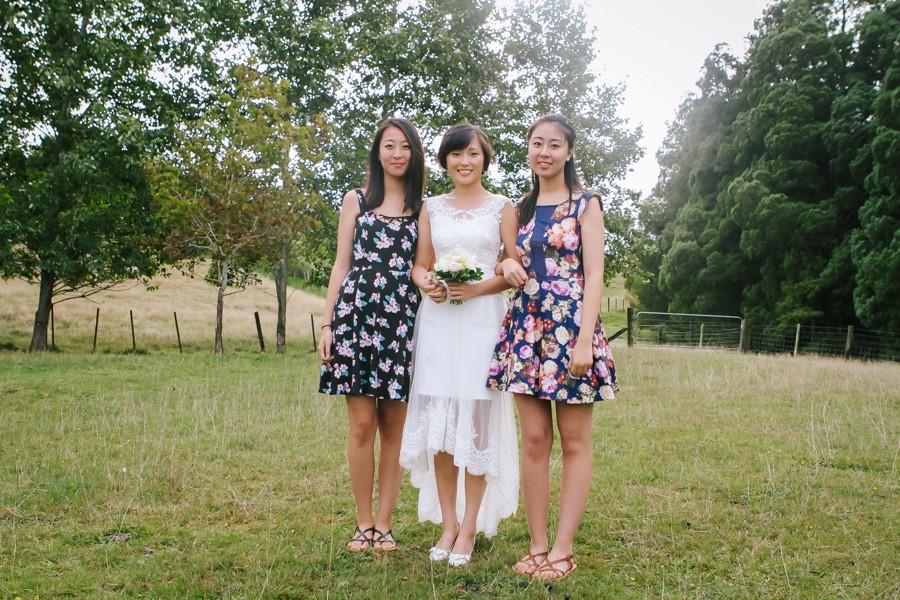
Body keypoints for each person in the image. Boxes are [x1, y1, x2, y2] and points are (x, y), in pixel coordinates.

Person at [487, 114, 618, 581]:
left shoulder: (586, 204)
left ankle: (563, 549)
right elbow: (505, 256)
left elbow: (595, 273)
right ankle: (538, 545)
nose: (544, 152)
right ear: (528, 149)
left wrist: (585, 340)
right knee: (535, 441)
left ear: (569, 152)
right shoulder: (518, 208)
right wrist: (507, 260)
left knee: (575, 441)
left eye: (554, 145)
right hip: (525, 330)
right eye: (537, 143)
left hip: (570, 331)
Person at [399, 124, 519, 567]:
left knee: (476, 427)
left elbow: (513, 269)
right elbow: (420, 265)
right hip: (438, 323)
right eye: (455, 155)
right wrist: (427, 282)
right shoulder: (431, 208)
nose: (463, 162)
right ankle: (448, 524)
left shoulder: (502, 208)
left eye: (472, 154)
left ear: (484, 159)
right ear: (445, 160)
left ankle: (469, 528)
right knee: (443, 432)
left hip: (482, 323)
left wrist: (478, 289)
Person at [318, 117, 426, 552]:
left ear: (414, 155)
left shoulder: (424, 209)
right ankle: (363, 523)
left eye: (404, 147)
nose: (396, 153)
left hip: (403, 321)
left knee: (393, 428)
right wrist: (327, 324)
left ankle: (385, 524)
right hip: (356, 319)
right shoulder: (356, 201)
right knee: (362, 424)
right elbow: (340, 267)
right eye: (389, 146)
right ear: (377, 152)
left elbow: (423, 269)